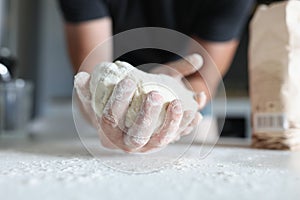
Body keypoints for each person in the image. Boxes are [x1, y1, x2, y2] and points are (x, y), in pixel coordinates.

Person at [58, 0, 254, 152]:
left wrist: (176, 92)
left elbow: (203, 78)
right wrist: (98, 107)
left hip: (182, 84)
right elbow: (92, 70)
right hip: (114, 80)